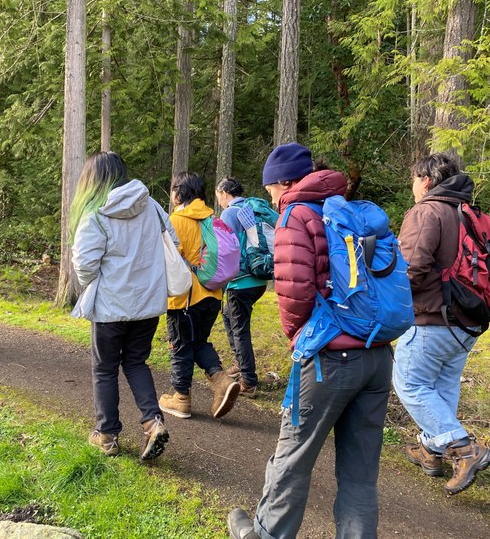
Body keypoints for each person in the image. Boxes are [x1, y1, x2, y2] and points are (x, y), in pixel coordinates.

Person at [228, 143, 393, 539]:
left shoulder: (296, 215)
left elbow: (294, 292)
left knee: (293, 457)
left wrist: (302, 338)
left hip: (329, 358)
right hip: (377, 354)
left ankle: (267, 533)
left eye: (270, 187)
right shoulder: (349, 209)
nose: (270, 196)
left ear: (284, 182)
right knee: (360, 472)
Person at [392, 152, 490, 495]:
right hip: (468, 320)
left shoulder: (427, 211)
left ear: (425, 180)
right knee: (442, 387)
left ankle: (464, 449)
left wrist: (390, 302)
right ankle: (431, 450)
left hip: (433, 319)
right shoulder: (468, 212)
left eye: (413, 179)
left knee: (410, 384)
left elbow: (412, 268)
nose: (412, 186)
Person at [70, 151, 170, 461]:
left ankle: (107, 435)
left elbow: (84, 264)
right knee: (136, 362)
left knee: (104, 369)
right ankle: (153, 422)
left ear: (94, 179)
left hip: (111, 306)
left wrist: (97, 281)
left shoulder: (96, 212)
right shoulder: (152, 206)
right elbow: (173, 244)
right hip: (147, 304)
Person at [159, 172, 241, 420]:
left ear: (179, 192)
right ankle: (221, 381)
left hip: (185, 297)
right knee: (198, 342)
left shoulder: (176, 221)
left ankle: (181, 398)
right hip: (213, 294)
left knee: (180, 345)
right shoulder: (211, 219)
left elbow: (167, 259)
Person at [215, 177, 267, 398]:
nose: (219, 201)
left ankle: (248, 381)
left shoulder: (229, 213)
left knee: (240, 329)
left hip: (241, 280)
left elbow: (225, 248)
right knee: (229, 315)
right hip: (259, 278)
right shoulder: (251, 208)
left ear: (224, 193)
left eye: (218, 195)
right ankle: (241, 362)